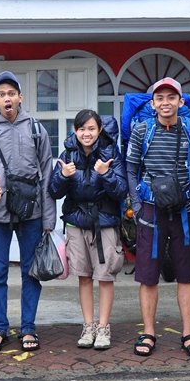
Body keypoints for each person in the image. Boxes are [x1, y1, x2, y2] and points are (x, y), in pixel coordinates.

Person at [125, 77, 190, 358]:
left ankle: (188, 332)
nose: (165, 103)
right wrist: (136, 206)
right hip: (150, 208)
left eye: (171, 97)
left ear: (181, 102)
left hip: (186, 209)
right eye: (160, 98)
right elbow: (131, 168)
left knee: (187, 274)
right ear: (152, 103)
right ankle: (148, 332)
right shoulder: (141, 130)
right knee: (148, 276)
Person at [0, 71, 56, 353]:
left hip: (31, 212)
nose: (7, 98)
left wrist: (48, 218)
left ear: (20, 97)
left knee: (30, 272)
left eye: (11, 93)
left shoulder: (36, 129)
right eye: (1, 94)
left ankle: (28, 327)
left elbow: (47, 173)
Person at [48, 110, 127, 350]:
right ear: (75, 130)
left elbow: (121, 191)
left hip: (104, 223)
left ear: (99, 130)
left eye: (91, 128)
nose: (87, 133)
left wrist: (106, 174)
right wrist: (62, 176)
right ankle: (88, 325)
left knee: (104, 276)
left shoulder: (111, 153)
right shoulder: (67, 154)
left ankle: (103, 328)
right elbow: (54, 191)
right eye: (82, 129)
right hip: (76, 223)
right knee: (83, 276)